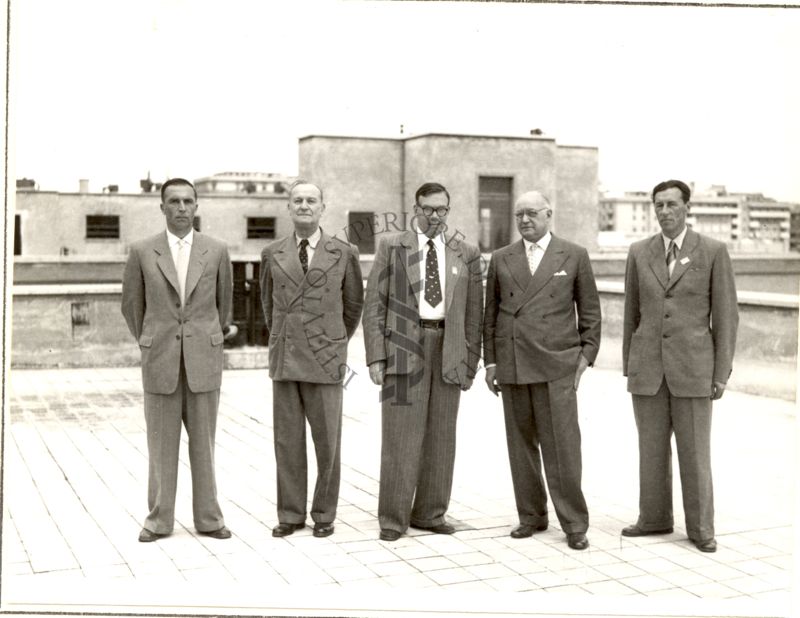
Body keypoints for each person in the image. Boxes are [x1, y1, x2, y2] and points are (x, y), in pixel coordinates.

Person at [621, 179, 738, 553]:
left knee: (695, 453)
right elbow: (631, 314)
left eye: (672, 204)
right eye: (659, 205)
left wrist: (720, 374)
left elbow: (726, 316)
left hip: (694, 370)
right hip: (649, 371)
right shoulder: (639, 252)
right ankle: (653, 519)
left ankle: (701, 528)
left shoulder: (713, 252)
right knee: (650, 450)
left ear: (687, 207)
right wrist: (630, 366)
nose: (665, 212)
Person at [362, 182, 483, 542]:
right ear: (415, 208)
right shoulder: (391, 246)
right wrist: (375, 357)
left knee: (441, 437)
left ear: (449, 210)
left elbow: (474, 312)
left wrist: (471, 361)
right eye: (428, 209)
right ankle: (393, 519)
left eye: (441, 210)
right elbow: (374, 306)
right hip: (402, 347)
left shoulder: (466, 252)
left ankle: (430, 513)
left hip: (449, 349)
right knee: (400, 436)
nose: (434, 216)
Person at [483, 190, 601, 551]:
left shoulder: (574, 254)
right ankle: (531, 516)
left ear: (549, 214)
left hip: (557, 365)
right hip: (514, 362)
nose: (524, 221)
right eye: (519, 215)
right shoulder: (502, 258)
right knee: (520, 446)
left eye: (532, 213)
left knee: (563, 447)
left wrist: (584, 359)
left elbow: (591, 314)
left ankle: (574, 523)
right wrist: (491, 362)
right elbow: (491, 314)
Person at [122, 177, 234, 542]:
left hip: (204, 361)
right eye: (174, 202)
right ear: (162, 207)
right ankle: (158, 520)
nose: (182, 208)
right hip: (161, 362)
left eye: (188, 201)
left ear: (197, 206)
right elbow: (132, 306)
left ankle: (209, 518)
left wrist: (205, 338)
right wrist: (152, 339)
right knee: (160, 446)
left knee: (205, 445)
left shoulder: (216, 250)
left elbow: (224, 305)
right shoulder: (142, 251)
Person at [260, 179, 364, 539]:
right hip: (286, 360)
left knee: (327, 442)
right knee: (287, 441)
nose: (304, 206)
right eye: (298, 200)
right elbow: (267, 304)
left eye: (311, 201)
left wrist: (332, 340)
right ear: (288, 208)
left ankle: (324, 514)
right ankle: (290, 514)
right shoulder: (272, 253)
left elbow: (353, 307)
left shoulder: (344, 252)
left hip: (325, 358)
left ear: (323, 207)